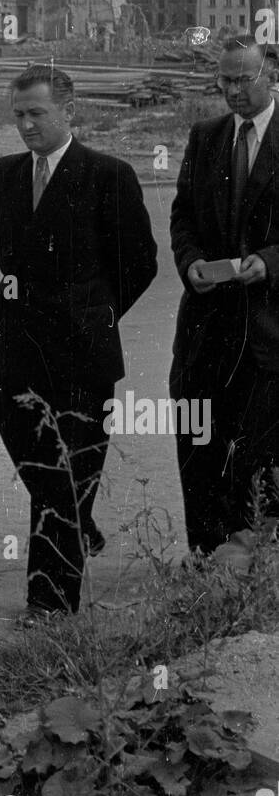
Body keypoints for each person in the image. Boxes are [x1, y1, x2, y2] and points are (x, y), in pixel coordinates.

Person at [0, 64, 157, 623]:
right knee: (21, 437)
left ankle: (51, 603)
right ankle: (79, 520)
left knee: (64, 472)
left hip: (82, 350)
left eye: (37, 114)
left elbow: (140, 262)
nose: (26, 126)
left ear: (70, 112)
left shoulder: (107, 175)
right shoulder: (6, 174)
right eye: (18, 115)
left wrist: (95, 314)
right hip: (19, 344)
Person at [170, 34, 279, 553]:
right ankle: (204, 557)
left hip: (268, 329)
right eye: (225, 80)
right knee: (198, 445)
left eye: (244, 79)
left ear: (271, 77)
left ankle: (254, 563)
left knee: (259, 452)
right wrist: (190, 262)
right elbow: (183, 216)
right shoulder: (205, 136)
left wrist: (271, 262)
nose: (233, 90)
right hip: (207, 324)